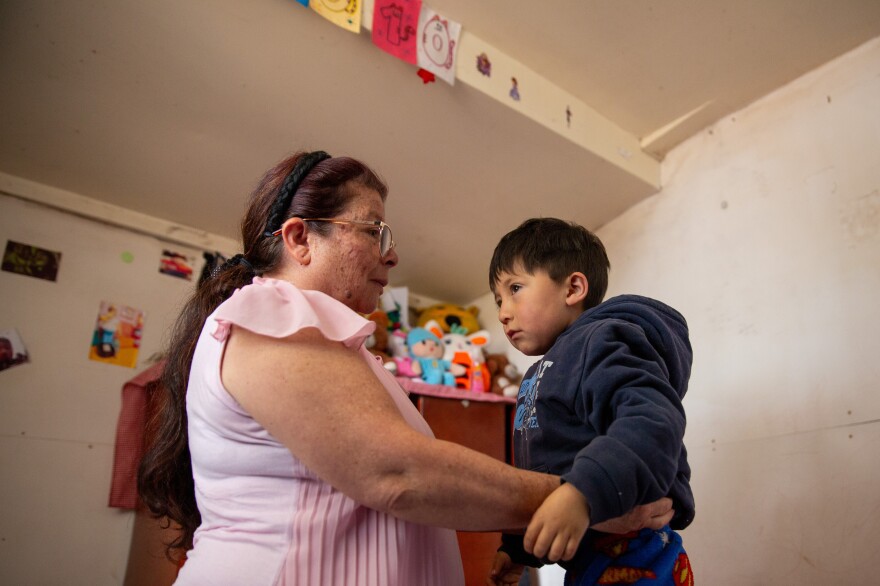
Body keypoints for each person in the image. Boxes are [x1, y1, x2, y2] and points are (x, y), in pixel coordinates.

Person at [137, 152, 674, 586]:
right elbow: (398, 473)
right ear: (300, 238)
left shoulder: (329, 343)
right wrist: (583, 497)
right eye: (374, 231)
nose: (391, 255)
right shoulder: (277, 316)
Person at [487, 218, 695, 586]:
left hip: (636, 551)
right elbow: (550, 466)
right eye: (499, 299)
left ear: (574, 288)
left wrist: (583, 493)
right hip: (587, 561)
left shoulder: (601, 342)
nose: (503, 311)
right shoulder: (544, 371)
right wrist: (519, 548)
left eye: (515, 288)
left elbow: (652, 421)